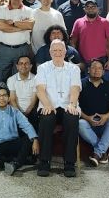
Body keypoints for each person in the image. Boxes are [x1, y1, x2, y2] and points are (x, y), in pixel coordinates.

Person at [35, 39, 82, 177]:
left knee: (71, 118)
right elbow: (40, 89)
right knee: (47, 118)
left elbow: (75, 88)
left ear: (65, 52)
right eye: (54, 50)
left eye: (60, 50)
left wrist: (72, 104)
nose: (57, 53)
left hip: (68, 104)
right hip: (49, 104)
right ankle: (44, 161)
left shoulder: (74, 69)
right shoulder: (42, 68)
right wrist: (47, 104)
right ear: (50, 52)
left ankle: (69, 163)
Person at [0, 86, 39, 175]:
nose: (2, 98)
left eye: (4, 95)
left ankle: (16, 163)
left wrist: (35, 139)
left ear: (8, 98)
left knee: (28, 138)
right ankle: (19, 160)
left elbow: (26, 125)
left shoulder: (15, 111)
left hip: (13, 143)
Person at [79, 59, 109, 167]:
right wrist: (87, 118)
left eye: (100, 68)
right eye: (94, 67)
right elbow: (74, 106)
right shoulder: (80, 84)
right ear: (88, 70)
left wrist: (106, 116)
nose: (97, 70)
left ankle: (97, 152)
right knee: (80, 124)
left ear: (104, 72)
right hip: (87, 122)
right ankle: (102, 152)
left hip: (104, 123)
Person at [0, 0, 34, 83]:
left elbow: (30, 26)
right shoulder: (2, 9)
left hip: (22, 49)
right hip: (4, 49)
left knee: (21, 78)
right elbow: (0, 26)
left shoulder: (29, 10)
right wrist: (21, 26)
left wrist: (12, 23)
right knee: (1, 77)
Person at [70, 0, 109, 81]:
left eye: (93, 7)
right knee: (85, 85)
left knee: (105, 84)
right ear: (84, 9)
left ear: (97, 9)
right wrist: (76, 58)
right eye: (88, 7)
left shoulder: (105, 22)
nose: (90, 9)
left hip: (102, 60)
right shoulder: (78, 22)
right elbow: (73, 41)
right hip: (84, 61)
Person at [7, 55, 38, 125]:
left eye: (26, 63)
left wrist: (26, 113)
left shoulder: (36, 79)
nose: (23, 66)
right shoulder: (11, 79)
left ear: (31, 66)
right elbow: (12, 100)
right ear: (17, 66)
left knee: (35, 115)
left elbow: (33, 101)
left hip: (31, 110)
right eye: (21, 63)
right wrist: (20, 114)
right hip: (16, 110)